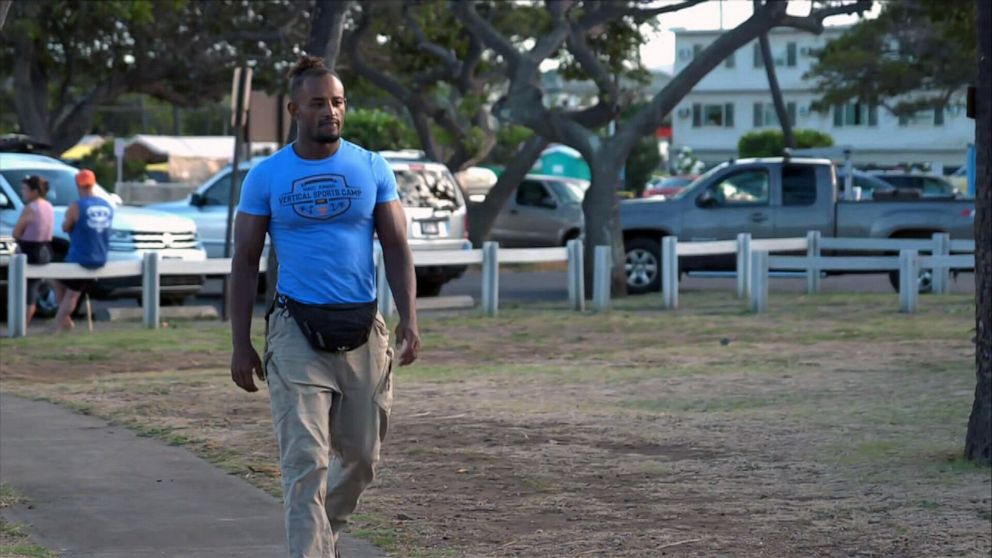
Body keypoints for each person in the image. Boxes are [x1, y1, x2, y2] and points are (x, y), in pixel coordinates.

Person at [229, 55, 420, 558]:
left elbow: (397, 247)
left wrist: (411, 321)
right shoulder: (266, 177)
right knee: (305, 461)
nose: (330, 111)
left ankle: (320, 534)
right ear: (294, 108)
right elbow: (246, 260)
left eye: (337, 102)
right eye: (318, 102)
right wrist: (240, 344)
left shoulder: (371, 166)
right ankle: (310, 550)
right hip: (295, 330)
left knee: (361, 458)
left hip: (363, 329)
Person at [52, 169, 113, 332]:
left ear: (78, 185)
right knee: (59, 281)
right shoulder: (107, 205)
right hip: (100, 256)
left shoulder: (76, 206)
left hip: (80, 257)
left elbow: (66, 227)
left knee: (72, 292)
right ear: (93, 184)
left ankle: (57, 325)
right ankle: (66, 321)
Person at [12, 175, 55, 324]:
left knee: (25, 292)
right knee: (32, 289)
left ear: (35, 191)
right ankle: (23, 324)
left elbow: (16, 232)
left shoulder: (30, 208)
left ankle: (20, 326)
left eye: (25, 189)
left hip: (29, 250)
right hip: (45, 250)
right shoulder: (49, 206)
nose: (22, 192)